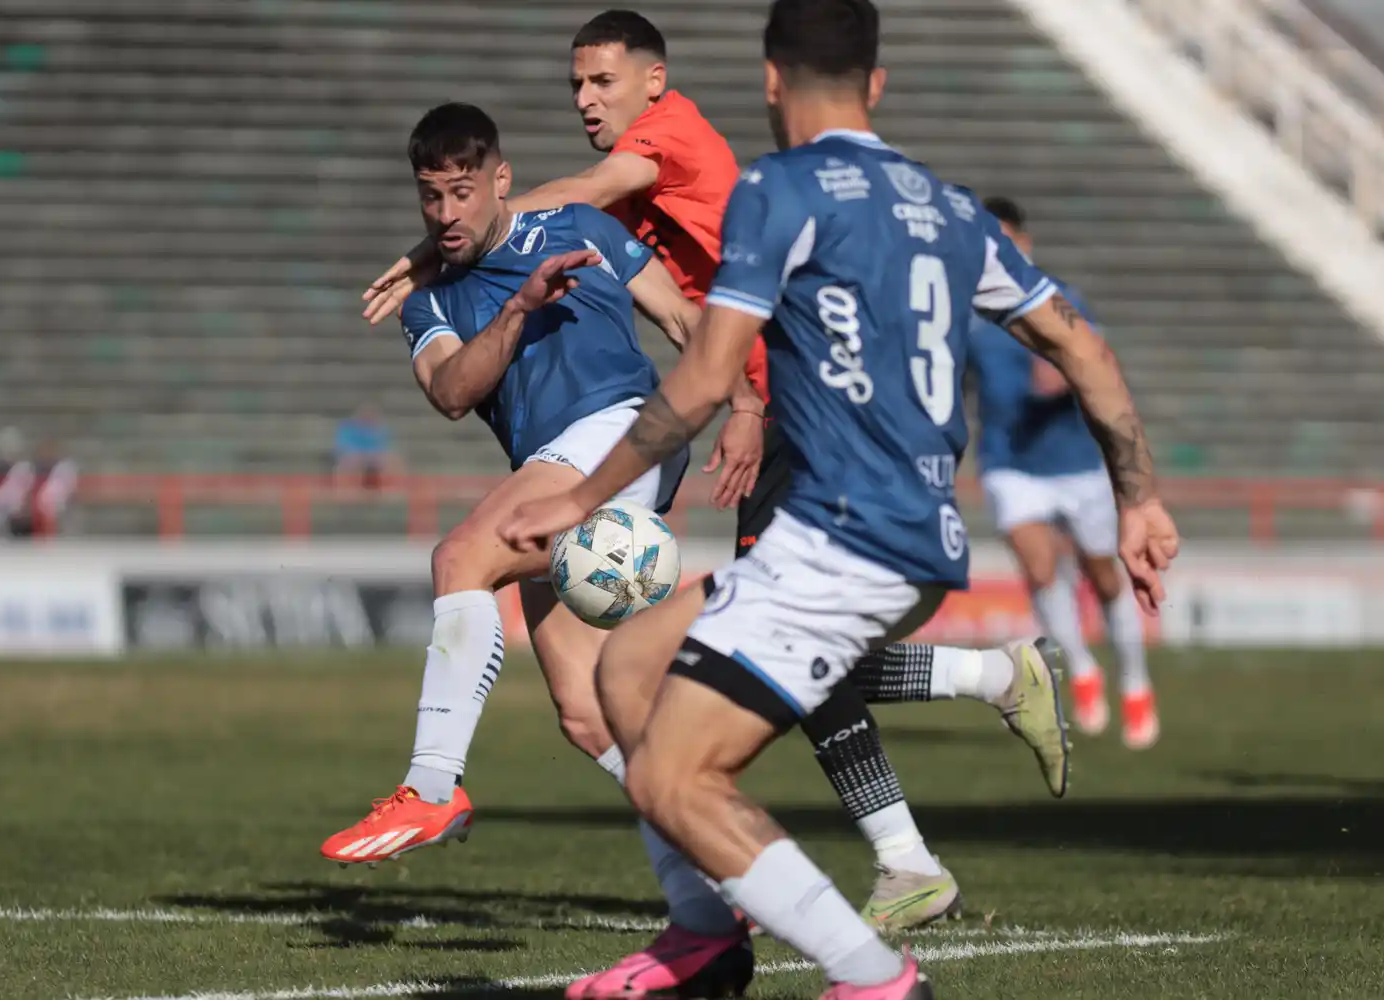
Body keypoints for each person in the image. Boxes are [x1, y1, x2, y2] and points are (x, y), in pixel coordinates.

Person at [500, 1, 1179, 997]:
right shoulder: (950, 209)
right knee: (628, 668)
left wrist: (584, 498)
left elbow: (701, 378)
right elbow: (1083, 345)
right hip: (911, 535)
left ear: (772, 82)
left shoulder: (778, 191)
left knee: (670, 775)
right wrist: (1140, 500)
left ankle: (876, 978)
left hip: (845, 536)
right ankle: (705, 933)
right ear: (878, 82)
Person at [360, 9, 1070, 930]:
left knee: (754, 640)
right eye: (574, 84)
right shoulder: (599, 204)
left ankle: (890, 856)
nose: (584, 100)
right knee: (606, 703)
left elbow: (573, 193)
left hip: (776, 396)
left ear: (653, 82)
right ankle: (944, 754)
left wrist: (433, 244)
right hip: (749, 391)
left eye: (601, 82)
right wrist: (452, 241)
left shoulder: (664, 139)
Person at [320, 102, 745, 864]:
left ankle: (431, 785)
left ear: (500, 180)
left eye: (463, 191)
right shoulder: (428, 299)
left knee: (460, 559)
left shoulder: (581, 227)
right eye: (431, 195)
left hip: (621, 430)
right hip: (552, 463)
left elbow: (685, 321)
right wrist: (519, 307)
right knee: (585, 712)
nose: (447, 212)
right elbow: (451, 392)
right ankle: (723, 867)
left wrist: (745, 402)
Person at [969, 197, 1159, 749]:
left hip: (1076, 462)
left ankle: (1135, 680)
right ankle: (1079, 668)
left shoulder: (1057, 300)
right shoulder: (964, 314)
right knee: (1038, 565)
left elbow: (1094, 359)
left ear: (1024, 244)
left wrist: (1065, 376)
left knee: (1102, 575)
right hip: (1010, 463)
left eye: (1003, 241)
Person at [332, 402, 402, 488]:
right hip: (355, 456)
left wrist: (373, 455)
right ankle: (348, 490)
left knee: (392, 460)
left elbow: (386, 446)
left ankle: (391, 489)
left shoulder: (380, 430)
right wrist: (360, 455)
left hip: (374, 457)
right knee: (350, 461)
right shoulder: (347, 428)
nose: (368, 417)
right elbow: (342, 446)